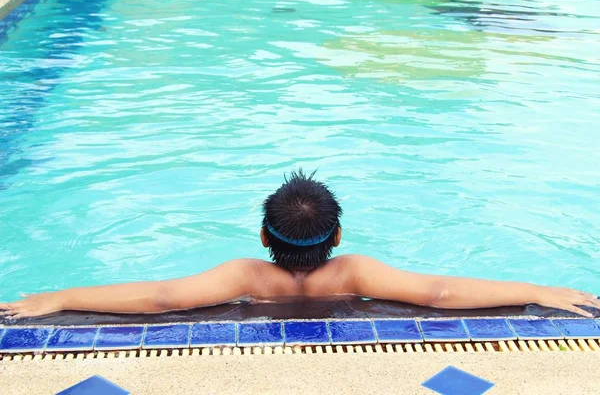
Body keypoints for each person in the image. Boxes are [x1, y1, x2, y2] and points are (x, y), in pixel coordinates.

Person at [1, 170, 598, 319]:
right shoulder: (355, 273)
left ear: (264, 235)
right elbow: (440, 292)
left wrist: (59, 297)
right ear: (338, 235)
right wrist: (537, 289)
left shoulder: (246, 278)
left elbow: (161, 297)